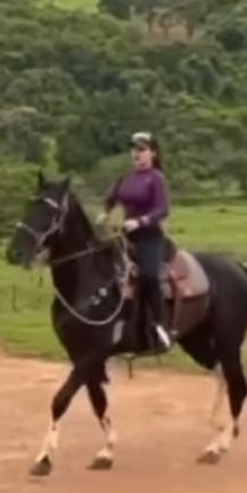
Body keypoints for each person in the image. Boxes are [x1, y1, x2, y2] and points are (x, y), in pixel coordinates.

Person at [104, 131, 173, 352]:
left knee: (149, 276)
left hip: (150, 236)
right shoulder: (125, 178)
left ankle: (160, 326)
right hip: (126, 235)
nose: (137, 154)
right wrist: (105, 213)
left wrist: (141, 221)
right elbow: (111, 199)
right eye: (134, 149)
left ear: (152, 153)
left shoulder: (156, 178)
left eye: (142, 149)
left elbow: (163, 208)